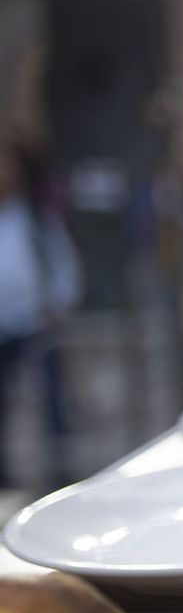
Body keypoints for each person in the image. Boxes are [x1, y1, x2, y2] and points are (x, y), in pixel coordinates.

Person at [0, 139, 82, 490]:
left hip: (34, 325)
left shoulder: (35, 218)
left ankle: (59, 470)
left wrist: (57, 305)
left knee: (51, 399)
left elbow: (63, 269)